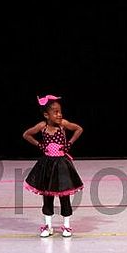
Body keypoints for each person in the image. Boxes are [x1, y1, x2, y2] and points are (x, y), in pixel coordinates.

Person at [23, 95, 84, 237]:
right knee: (47, 196)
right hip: (47, 165)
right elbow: (26, 134)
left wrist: (69, 144)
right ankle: (48, 226)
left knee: (64, 196)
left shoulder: (63, 124)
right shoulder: (42, 126)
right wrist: (39, 145)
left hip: (62, 165)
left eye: (60, 111)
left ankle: (67, 225)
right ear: (46, 115)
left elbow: (79, 129)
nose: (59, 114)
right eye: (55, 112)